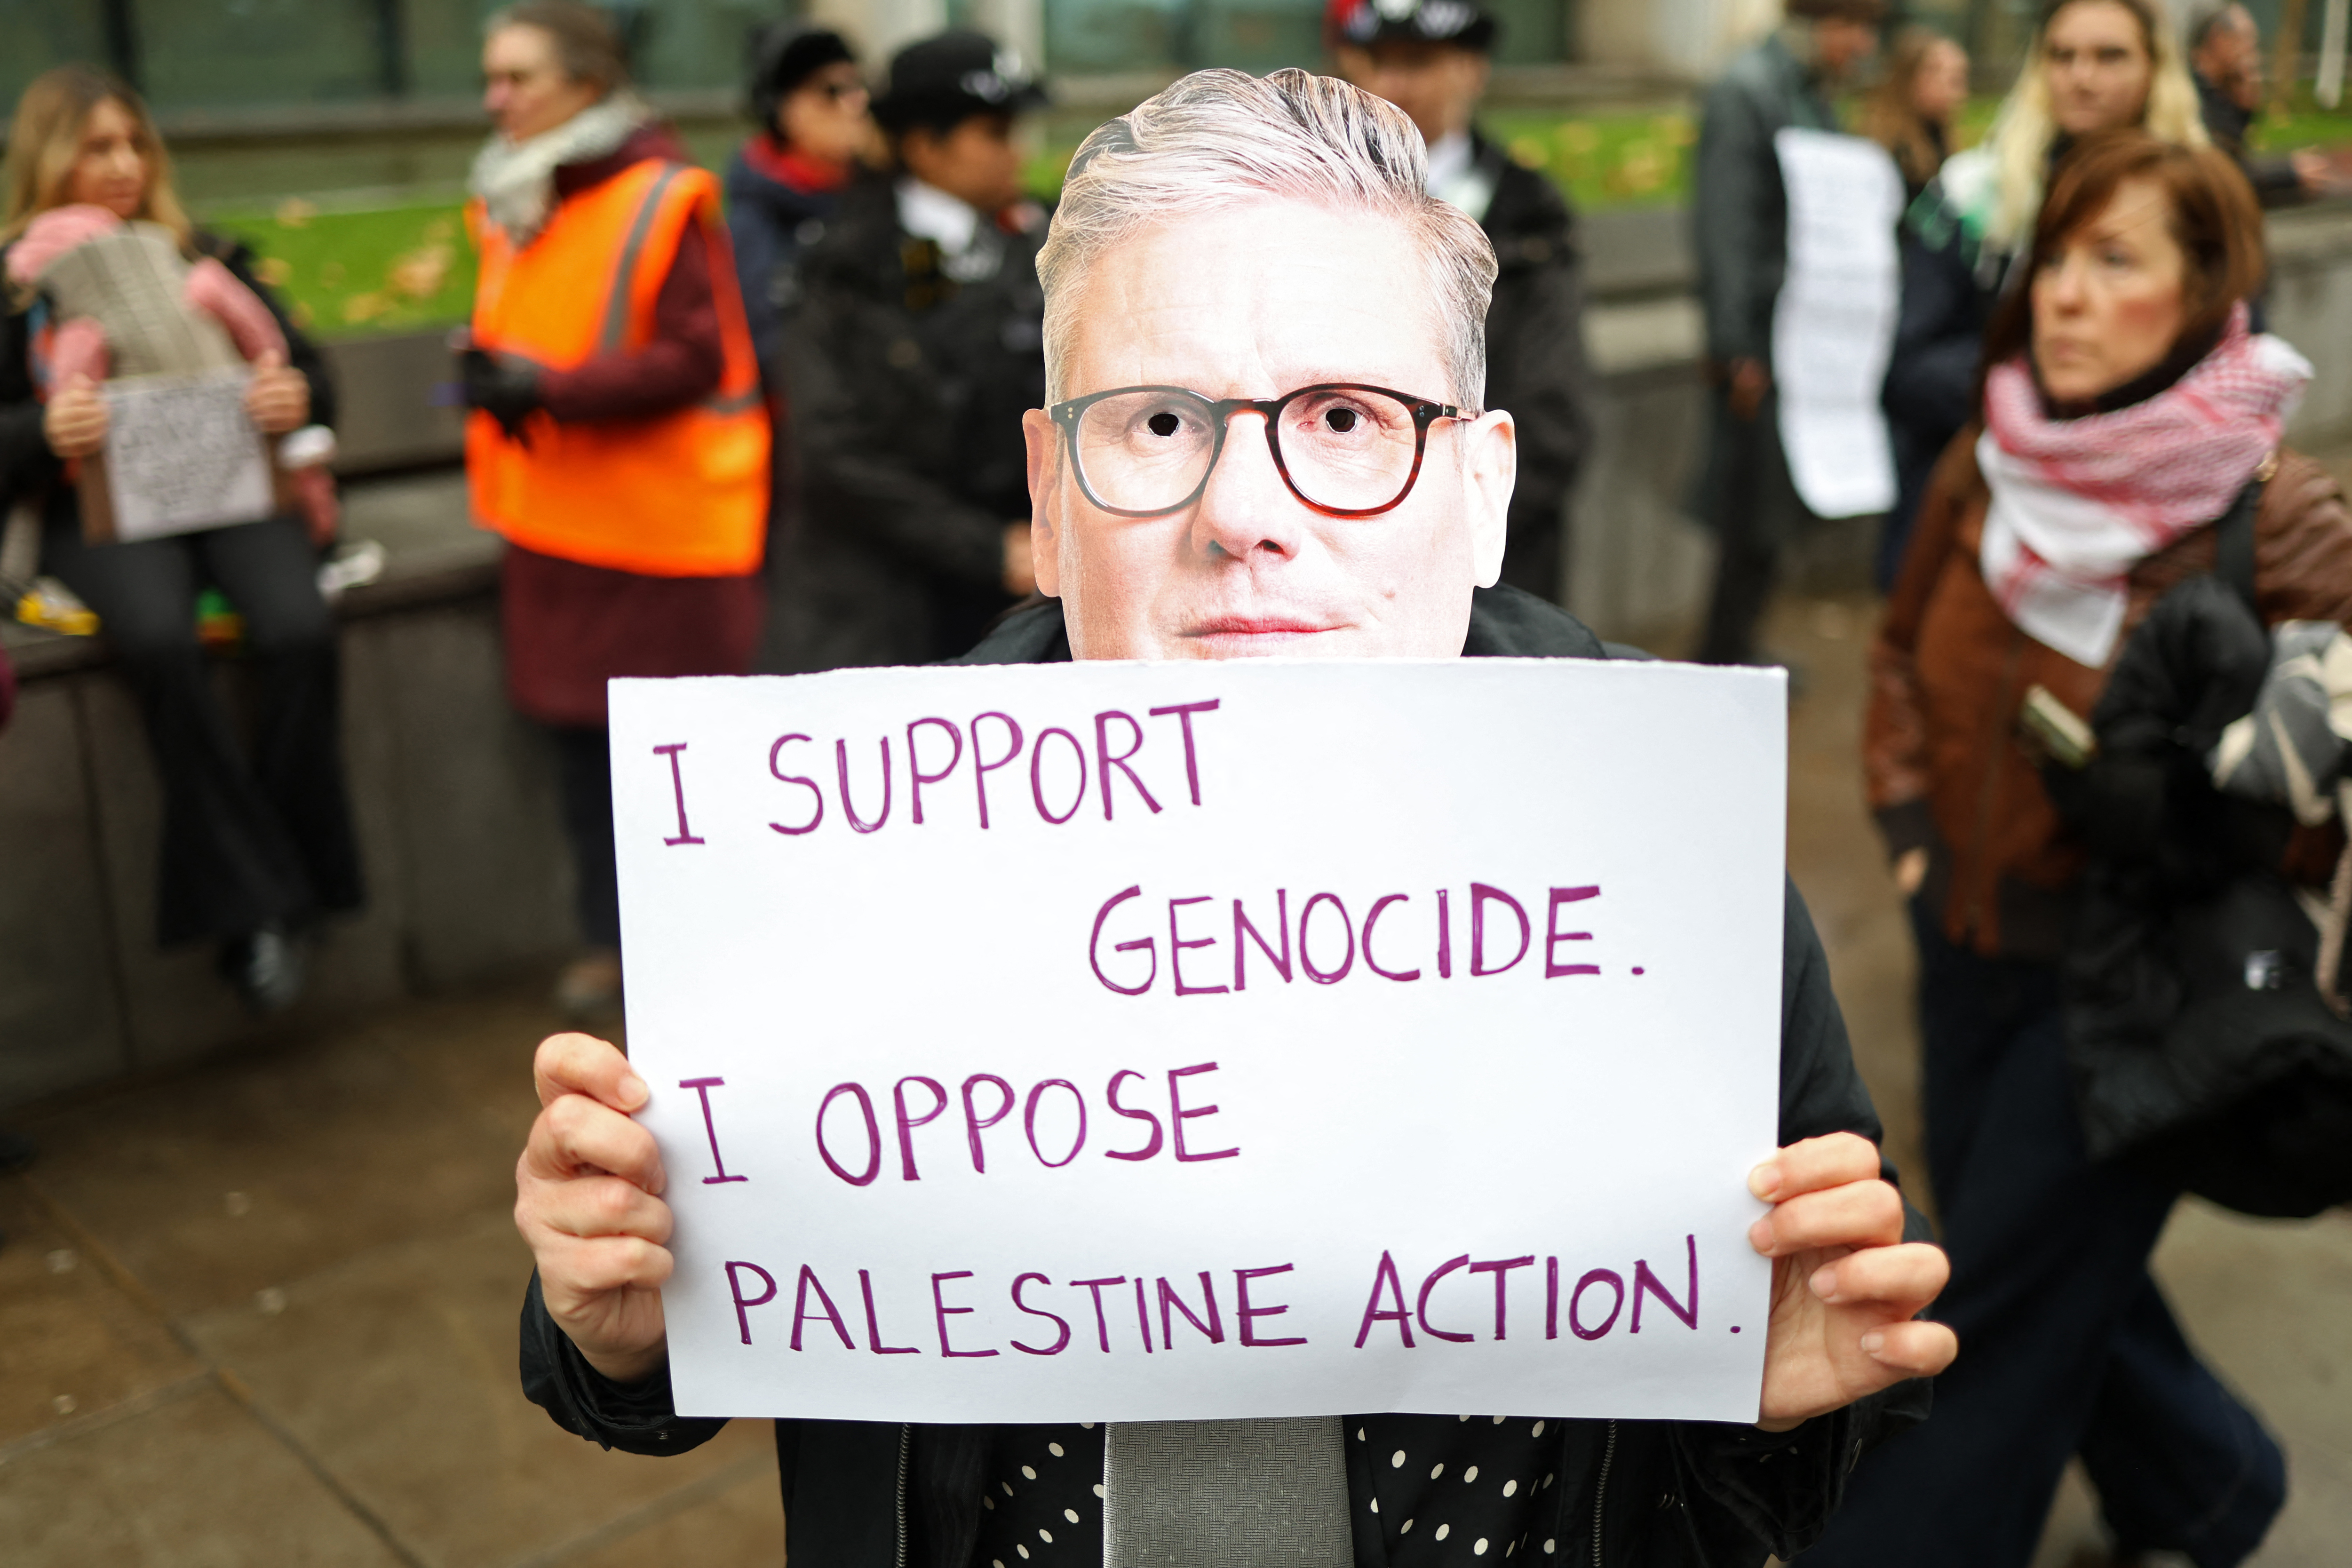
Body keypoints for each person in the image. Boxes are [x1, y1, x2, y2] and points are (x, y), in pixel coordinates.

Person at [512, 68, 1957, 1567]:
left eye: (1343, 416)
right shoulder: (831, 859)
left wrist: (1777, 1403)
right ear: (1049, 495)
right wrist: (621, 1327)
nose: (1243, 512)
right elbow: (674, 1327)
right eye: (1156, 421)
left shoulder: (1665, 856)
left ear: (1483, 487)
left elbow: (1790, 1408)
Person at [1814, 132, 2349, 1568]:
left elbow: (2325, 783)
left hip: (2131, 979)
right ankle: (2211, 1487)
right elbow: (1900, 660)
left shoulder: (2274, 512)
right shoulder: (1987, 459)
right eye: (2055, 254)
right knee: (2039, 1263)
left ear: (2204, 289)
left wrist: (2197, 793)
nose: (2062, 292)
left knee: (1980, 1313)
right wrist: (1914, 841)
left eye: (2115, 260)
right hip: (1965, 942)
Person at [0, 64, 358, 1012]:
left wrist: (293, 396)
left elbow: (314, 380)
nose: (124, 165)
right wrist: (41, 431)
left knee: (299, 629)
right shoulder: (15, 284)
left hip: (239, 495)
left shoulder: (208, 254)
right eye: (97, 147)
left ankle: (271, 893)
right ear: (48, 159)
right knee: (160, 642)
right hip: (94, 513)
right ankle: (276, 901)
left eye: (136, 144)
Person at [460, 0, 769, 1017]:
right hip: (555, 527)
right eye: (491, 77)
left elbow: (695, 356)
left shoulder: (663, 197)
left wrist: (546, 388)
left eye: (519, 77)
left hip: (664, 537)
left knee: (681, 766)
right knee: (578, 756)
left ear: (587, 85)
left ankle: (719, 945)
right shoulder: (513, 194)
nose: (497, 98)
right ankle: (612, 940)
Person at [1880, 0, 2206, 590]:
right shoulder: (1972, 196)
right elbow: (1907, 362)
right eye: (2062, 56)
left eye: (2109, 56)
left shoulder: (2201, 205)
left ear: (2155, 69)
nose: (2081, 77)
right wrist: (2036, 398)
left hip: (2147, 534)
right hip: (1981, 527)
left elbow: (2235, 348)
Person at [767, 30, 1047, 673]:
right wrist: (984, 546)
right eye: (995, 133)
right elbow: (833, 448)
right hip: (880, 610)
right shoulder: (841, 265)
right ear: (925, 146)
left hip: (1019, 598)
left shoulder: (1048, 241)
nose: (1017, 152)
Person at [1329, 0, 1594, 606]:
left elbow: (1551, 419)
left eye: (1417, 62)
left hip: (1488, 565)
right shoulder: (1309, 199)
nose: (1391, 85)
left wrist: (1431, 535)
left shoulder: (1528, 212)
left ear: (1472, 70)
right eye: (1376, 61)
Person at [1691, 0, 1886, 667]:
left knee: (1771, 509)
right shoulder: (1747, 90)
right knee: (1748, 509)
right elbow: (1727, 225)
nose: (1862, 46)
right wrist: (1734, 346)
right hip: (1761, 345)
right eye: (1852, 28)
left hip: (1802, 340)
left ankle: (1739, 643)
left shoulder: (1806, 92)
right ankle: (1723, 654)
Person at [723, 24, 873, 375]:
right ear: (783, 108)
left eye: (859, 85)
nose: (856, 103)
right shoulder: (753, 226)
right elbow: (767, 350)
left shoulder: (884, 195)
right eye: (831, 92)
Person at [2188, 2, 2338, 207]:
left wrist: (2245, 101)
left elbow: (2237, 150)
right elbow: (2224, 172)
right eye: (2245, 39)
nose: (2252, 51)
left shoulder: (2218, 92)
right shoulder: (2191, 98)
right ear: (2219, 39)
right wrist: (2288, 174)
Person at [1860, 26, 1971, 204]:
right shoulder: (1890, 152)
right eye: (1953, 81)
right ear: (1913, 78)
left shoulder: (1939, 137)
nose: (1960, 93)